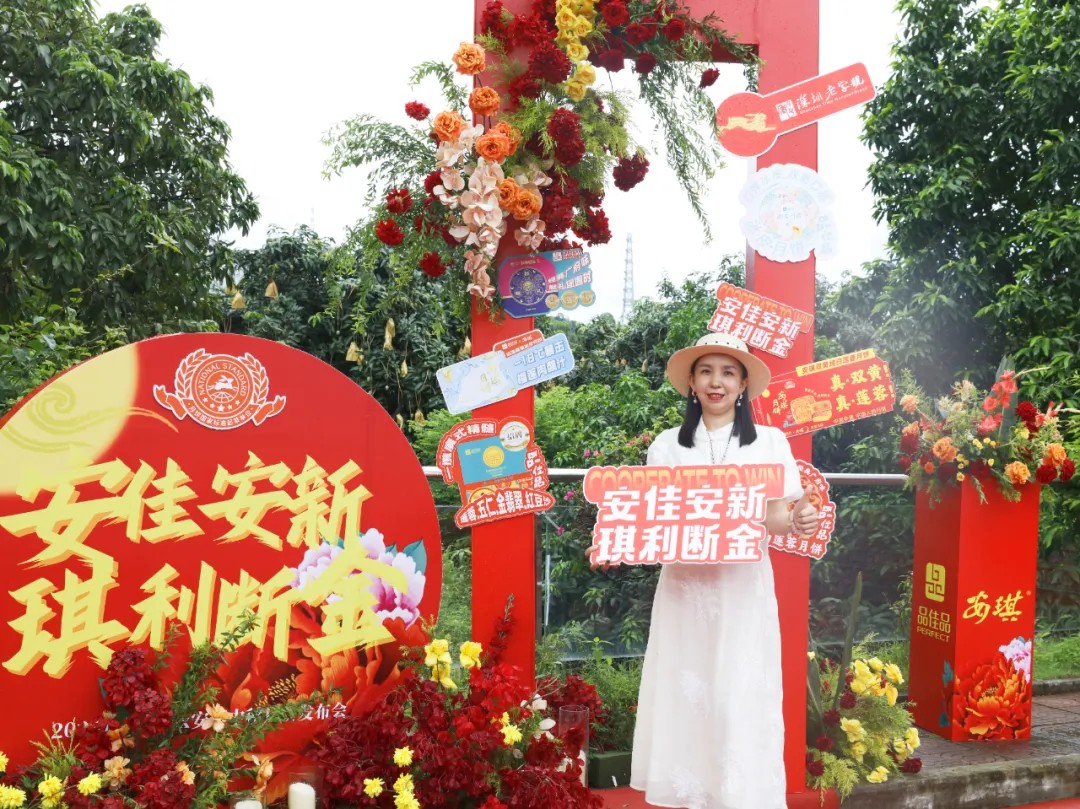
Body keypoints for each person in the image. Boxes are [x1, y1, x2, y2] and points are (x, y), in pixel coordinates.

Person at [629, 332, 820, 809]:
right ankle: (687, 797)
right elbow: (651, 519)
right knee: (686, 692)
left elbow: (778, 517)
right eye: (707, 372)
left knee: (739, 693)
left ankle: (740, 797)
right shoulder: (666, 446)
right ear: (692, 383)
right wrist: (620, 538)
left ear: (743, 385)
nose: (717, 382)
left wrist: (799, 518)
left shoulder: (770, 442)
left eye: (728, 373)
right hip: (684, 591)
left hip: (742, 592)